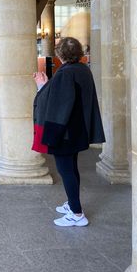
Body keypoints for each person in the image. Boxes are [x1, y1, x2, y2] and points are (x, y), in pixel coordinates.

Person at [32, 37, 105, 227]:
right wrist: (50, 85)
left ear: (59, 54)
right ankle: (73, 203)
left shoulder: (65, 73)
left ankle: (77, 213)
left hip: (65, 133)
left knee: (66, 171)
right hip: (78, 129)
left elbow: (58, 105)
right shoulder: (82, 69)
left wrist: (41, 86)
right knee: (71, 168)